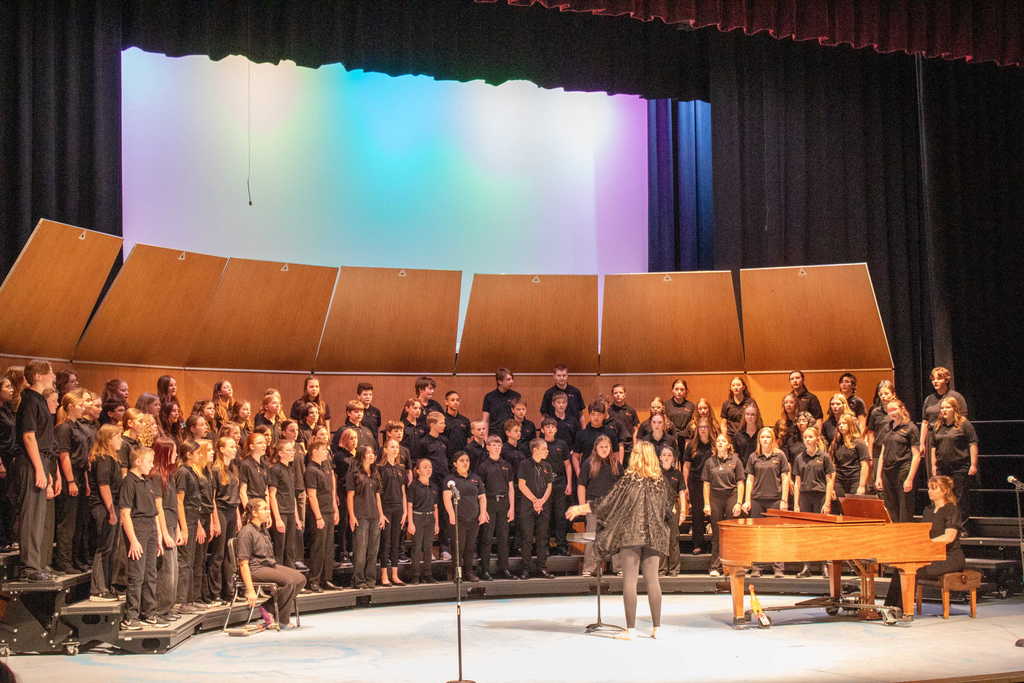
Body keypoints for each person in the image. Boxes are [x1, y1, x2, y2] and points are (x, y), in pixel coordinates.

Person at [566, 441, 674, 640]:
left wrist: (580, 508)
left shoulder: (629, 481)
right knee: (653, 580)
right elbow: (669, 509)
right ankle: (657, 628)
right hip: (655, 535)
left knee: (630, 581)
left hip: (631, 535)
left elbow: (607, 502)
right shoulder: (661, 482)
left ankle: (631, 630)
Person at [884, 475, 965, 608]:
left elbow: (949, 537)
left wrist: (927, 543)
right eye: (929, 488)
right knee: (900, 568)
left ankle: (903, 609)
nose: (929, 491)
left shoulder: (952, 509)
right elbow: (923, 533)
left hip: (949, 557)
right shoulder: (928, 510)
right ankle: (889, 607)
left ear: (944, 491)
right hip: (931, 555)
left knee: (911, 571)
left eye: (933, 488)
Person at [16, 359, 58, 581]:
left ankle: (37, 563)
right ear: (39, 376)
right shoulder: (30, 400)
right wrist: (39, 469)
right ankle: (29, 567)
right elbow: (29, 436)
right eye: (50, 372)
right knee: (31, 515)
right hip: (31, 462)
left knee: (39, 516)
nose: (53, 376)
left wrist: (46, 470)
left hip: (40, 460)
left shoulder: (39, 399)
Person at [236, 498, 306, 629]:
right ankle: (279, 617)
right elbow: (243, 564)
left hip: (268, 565)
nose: (268, 512)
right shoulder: (246, 532)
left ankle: (269, 608)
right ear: (254, 513)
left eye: (268, 509)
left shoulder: (263, 530)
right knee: (289, 582)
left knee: (300, 579)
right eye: (264, 509)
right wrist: (250, 590)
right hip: (255, 569)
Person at [119, 446, 166, 630]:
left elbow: (155, 513)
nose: (152, 465)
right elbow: (125, 513)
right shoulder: (129, 482)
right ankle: (131, 616)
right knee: (136, 575)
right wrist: (133, 540)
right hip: (138, 528)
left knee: (150, 573)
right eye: (149, 462)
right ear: (138, 461)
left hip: (151, 528)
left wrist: (159, 537)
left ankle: (149, 613)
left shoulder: (147, 481)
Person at [53, 389, 93, 573]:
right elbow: (64, 456)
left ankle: (76, 559)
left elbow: (84, 457)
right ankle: (64, 561)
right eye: (80, 405)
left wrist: (85, 482)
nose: (84, 407)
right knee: (68, 522)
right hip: (70, 475)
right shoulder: (64, 428)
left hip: (81, 476)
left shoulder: (79, 426)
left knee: (79, 522)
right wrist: (70, 481)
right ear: (70, 406)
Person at [742, 427, 790, 577]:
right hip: (757, 500)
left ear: (773, 439)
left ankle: (778, 568)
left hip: (775, 500)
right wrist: (747, 500)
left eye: (768, 437)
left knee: (776, 534)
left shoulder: (780, 455)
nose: (765, 439)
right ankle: (757, 566)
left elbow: (785, 478)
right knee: (758, 535)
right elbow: (749, 479)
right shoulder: (753, 457)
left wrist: (784, 499)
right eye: (762, 437)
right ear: (759, 440)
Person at [178, 439, 218, 607]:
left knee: (196, 560)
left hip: (196, 518)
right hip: (190, 518)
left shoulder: (195, 472)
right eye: (198, 453)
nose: (201, 456)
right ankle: (183, 600)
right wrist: (187, 527)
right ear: (189, 454)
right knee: (187, 562)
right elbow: (180, 501)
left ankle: (193, 598)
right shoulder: (183, 472)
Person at [930, 397, 979, 533]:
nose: (944, 410)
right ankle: (945, 526)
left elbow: (973, 443)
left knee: (960, 497)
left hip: (960, 466)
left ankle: (961, 527)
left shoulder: (964, 424)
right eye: (942, 408)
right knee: (943, 497)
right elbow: (933, 447)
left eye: (947, 407)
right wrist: (933, 465)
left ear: (954, 409)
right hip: (942, 467)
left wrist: (973, 464)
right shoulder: (937, 426)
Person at [88, 424, 124, 600]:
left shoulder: (112, 459)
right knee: (104, 547)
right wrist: (111, 511)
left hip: (113, 506)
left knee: (112, 548)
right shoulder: (103, 459)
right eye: (118, 437)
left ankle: (108, 585)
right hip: (103, 508)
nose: (121, 440)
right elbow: (104, 486)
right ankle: (98, 589)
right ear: (108, 440)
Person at [577, 435, 622, 576]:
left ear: (610, 448)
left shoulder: (616, 463)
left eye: (606, 447)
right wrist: (582, 505)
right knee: (591, 536)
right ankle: (589, 568)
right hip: (593, 504)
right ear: (596, 448)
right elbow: (581, 485)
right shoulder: (588, 463)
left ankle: (618, 567)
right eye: (601, 446)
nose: (604, 449)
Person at [702, 432, 745, 578]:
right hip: (715, 497)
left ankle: (732, 566)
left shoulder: (736, 460)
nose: (720, 443)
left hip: (731, 496)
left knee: (731, 533)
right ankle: (715, 566)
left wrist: (739, 502)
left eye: (723, 441)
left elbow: (740, 482)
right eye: (718, 441)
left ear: (728, 445)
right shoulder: (710, 462)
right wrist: (706, 503)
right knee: (717, 533)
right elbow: (706, 484)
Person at [794, 426, 834, 578]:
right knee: (806, 533)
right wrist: (796, 503)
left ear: (817, 439)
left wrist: (827, 502)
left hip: (820, 496)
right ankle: (807, 566)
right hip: (805, 496)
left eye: (810, 437)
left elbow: (829, 481)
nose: (807, 440)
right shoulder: (799, 458)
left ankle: (824, 565)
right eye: (805, 437)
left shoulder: (824, 457)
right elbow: (797, 482)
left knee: (822, 532)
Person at [150, 438, 183, 622]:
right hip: (163, 526)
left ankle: (168, 607)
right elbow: (158, 507)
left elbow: (173, 505)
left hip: (172, 523)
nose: (176, 454)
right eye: (174, 451)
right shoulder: (156, 476)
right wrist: (164, 534)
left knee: (174, 571)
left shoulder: (169, 474)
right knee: (166, 572)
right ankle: (160, 610)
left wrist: (177, 529)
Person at [443, 451, 487, 582]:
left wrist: (483, 513)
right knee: (459, 547)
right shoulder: (450, 480)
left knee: (470, 547)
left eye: (467, 460)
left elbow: (482, 497)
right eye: (461, 460)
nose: (465, 463)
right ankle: (457, 573)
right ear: (455, 463)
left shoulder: (475, 478)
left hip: (473, 518)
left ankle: (469, 572)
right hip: (458, 519)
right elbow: (446, 498)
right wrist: (451, 514)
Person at [874, 399, 921, 523]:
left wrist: (910, 479)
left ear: (902, 409)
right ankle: (894, 531)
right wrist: (878, 476)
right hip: (887, 471)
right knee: (890, 507)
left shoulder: (911, 428)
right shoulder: (887, 427)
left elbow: (916, 455)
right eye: (889, 410)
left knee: (904, 507)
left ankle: (905, 532)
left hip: (903, 470)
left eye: (894, 409)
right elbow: (882, 453)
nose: (891, 413)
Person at [207, 436, 242, 604]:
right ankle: (215, 592)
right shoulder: (215, 469)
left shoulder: (233, 468)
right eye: (231, 446)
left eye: (235, 446)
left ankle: (229, 591)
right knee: (218, 553)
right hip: (220, 510)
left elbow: (235, 495)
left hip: (232, 511)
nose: (235, 449)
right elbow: (212, 498)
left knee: (230, 552)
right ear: (221, 449)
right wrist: (215, 520)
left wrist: (238, 516)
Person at [475, 435, 514, 580]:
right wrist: (483, 510)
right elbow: (480, 490)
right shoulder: (483, 466)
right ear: (488, 447)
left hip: (504, 503)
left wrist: (512, 508)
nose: (497, 447)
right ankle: (485, 570)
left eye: (499, 445)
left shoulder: (506, 465)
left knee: (504, 538)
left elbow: (511, 487)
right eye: (494, 445)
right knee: (487, 537)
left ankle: (504, 568)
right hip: (489, 503)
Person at [347, 445, 385, 589]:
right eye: (368, 453)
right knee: (360, 550)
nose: (372, 455)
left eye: (373, 453)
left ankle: (370, 579)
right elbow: (350, 496)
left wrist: (381, 515)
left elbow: (377, 496)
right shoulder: (354, 473)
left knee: (373, 550)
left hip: (374, 515)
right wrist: (352, 516)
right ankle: (358, 580)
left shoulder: (375, 473)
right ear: (362, 455)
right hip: (360, 515)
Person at [304, 432, 339, 592]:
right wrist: (318, 517)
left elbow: (331, 491)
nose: (326, 452)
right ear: (314, 452)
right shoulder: (311, 470)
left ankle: (326, 579)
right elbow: (311, 495)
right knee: (318, 547)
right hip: (319, 513)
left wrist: (335, 509)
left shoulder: (324, 468)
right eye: (323, 450)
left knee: (328, 547)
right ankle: (314, 580)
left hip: (329, 511)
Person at [517, 438, 554, 579]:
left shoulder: (547, 466)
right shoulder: (524, 464)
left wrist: (542, 501)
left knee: (542, 538)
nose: (547, 451)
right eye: (544, 448)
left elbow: (549, 486)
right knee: (527, 538)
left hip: (543, 506)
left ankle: (542, 567)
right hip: (528, 506)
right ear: (535, 450)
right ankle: (525, 569)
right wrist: (534, 500)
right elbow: (522, 485)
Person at [376, 438, 408, 586]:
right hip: (386, 508)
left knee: (396, 542)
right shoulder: (380, 468)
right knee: (386, 542)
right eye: (392, 447)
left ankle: (395, 575)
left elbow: (403, 490)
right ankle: (384, 575)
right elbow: (377, 493)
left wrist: (405, 511)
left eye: (397, 447)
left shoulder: (401, 468)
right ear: (385, 449)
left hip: (398, 508)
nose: (395, 449)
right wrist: (381, 513)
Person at [267, 440, 302, 568]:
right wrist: (277, 519)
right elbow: (272, 495)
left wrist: (296, 517)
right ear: (280, 453)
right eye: (288, 450)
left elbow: (292, 495)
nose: (292, 452)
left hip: (291, 512)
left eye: (292, 450)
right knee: (279, 548)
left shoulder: (290, 469)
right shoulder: (275, 469)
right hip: (281, 512)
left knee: (290, 548)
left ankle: (291, 575)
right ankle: (279, 576)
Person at [539, 417, 571, 555]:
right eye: (547, 427)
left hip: (560, 482)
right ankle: (544, 546)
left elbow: (567, 465)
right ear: (542, 430)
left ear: (556, 429)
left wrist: (569, 484)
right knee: (545, 516)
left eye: (552, 427)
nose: (550, 429)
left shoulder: (562, 444)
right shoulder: (539, 444)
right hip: (543, 484)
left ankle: (561, 545)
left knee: (560, 515)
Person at [682, 418, 715, 555]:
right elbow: (686, 466)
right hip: (695, 483)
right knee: (697, 514)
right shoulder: (691, 445)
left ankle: (715, 544)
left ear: (709, 428)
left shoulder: (714, 444)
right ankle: (698, 544)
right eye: (701, 427)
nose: (703, 429)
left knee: (715, 513)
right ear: (697, 429)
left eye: (705, 427)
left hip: (713, 483)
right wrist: (686, 486)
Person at [406, 458, 439, 584]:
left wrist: (436, 523)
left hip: (430, 518)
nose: (428, 469)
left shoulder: (433, 486)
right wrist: (410, 522)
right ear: (418, 470)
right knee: (417, 547)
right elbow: (409, 505)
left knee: (428, 547)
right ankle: (415, 575)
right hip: (417, 518)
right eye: (425, 467)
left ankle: (428, 574)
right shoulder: (413, 486)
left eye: (430, 467)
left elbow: (435, 507)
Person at [829, 413, 870, 511]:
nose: (841, 426)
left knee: (854, 509)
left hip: (854, 479)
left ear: (850, 424)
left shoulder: (859, 442)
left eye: (844, 423)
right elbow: (833, 466)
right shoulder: (836, 443)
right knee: (839, 508)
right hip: (839, 480)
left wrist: (861, 486)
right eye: (839, 424)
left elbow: (865, 465)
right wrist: (832, 487)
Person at [658, 446, 686, 576]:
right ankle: (661, 569)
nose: (666, 457)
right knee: (660, 539)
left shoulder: (677, 474)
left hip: (673, 508)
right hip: (658, 508)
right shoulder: (655, 473)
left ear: (673, 458)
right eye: (664, 455)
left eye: (669, 455)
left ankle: (674, 569)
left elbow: (681, 493)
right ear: (660, 457)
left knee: (673, 539)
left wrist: (683, 512)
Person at [482, 368, 520, 435]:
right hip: (495, 434)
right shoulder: (489, 397)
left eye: (512, 379)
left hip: (511, 434)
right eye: (508, 379)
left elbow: (519, 417)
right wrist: (485, 437)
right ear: (500, 381)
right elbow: (485, 421)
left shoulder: (516, 396)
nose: (512, 381)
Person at [606, 384, 638, 464]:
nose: (618, 395)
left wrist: (635, 446)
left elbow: (635, 429)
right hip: (613, 447)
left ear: (625, 394)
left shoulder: (631, 410)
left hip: (629, 447)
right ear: (612, 395)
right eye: (615, 393)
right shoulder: (608, 411)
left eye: (620, 392)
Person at [238, 432, 269, 509]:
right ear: (251, 446)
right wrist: (248, 510)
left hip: (262, 504)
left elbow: (266, 490)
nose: (264, 445)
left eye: (264, 443)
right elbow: (242, 491)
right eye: (260, 443)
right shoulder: (245, 464)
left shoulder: (264, 464)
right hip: (252, 503)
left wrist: (267, 509)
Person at [442, 390, 471, 458]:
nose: (455, 402)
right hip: (447, 456)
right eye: (452, 400)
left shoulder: (465, 420)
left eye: (457, 400)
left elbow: (469, 439)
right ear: (446, 402)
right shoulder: (442, 420)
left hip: (462, 456)